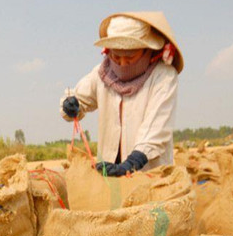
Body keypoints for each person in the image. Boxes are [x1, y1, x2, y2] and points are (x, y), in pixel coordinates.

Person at [60, 12, 183, 176]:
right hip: (110, 171)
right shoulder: (102, 73)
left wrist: (132, 163)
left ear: (147, 50)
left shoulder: (163, 76)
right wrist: (70, 105)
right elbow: (79, 99)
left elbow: (156, 127)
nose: (123, 63)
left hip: (149, 173)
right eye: (116, 56)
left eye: (130, 57)